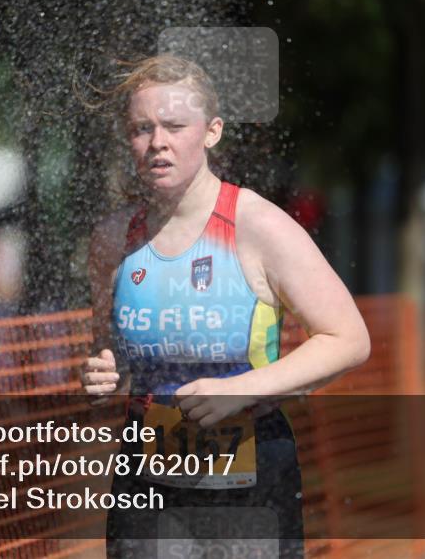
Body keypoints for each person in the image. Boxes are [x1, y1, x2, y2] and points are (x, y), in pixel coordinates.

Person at [81, 55, 370, 558]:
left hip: (251, 475)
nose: (158, 143)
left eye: (175, 126)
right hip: (145, 479)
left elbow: (348, 339)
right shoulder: (113, 240)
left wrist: (238, 390)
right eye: (141, 129)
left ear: (212, 132)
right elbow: (116, 358)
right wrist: (104, 372)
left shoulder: (259, 226)